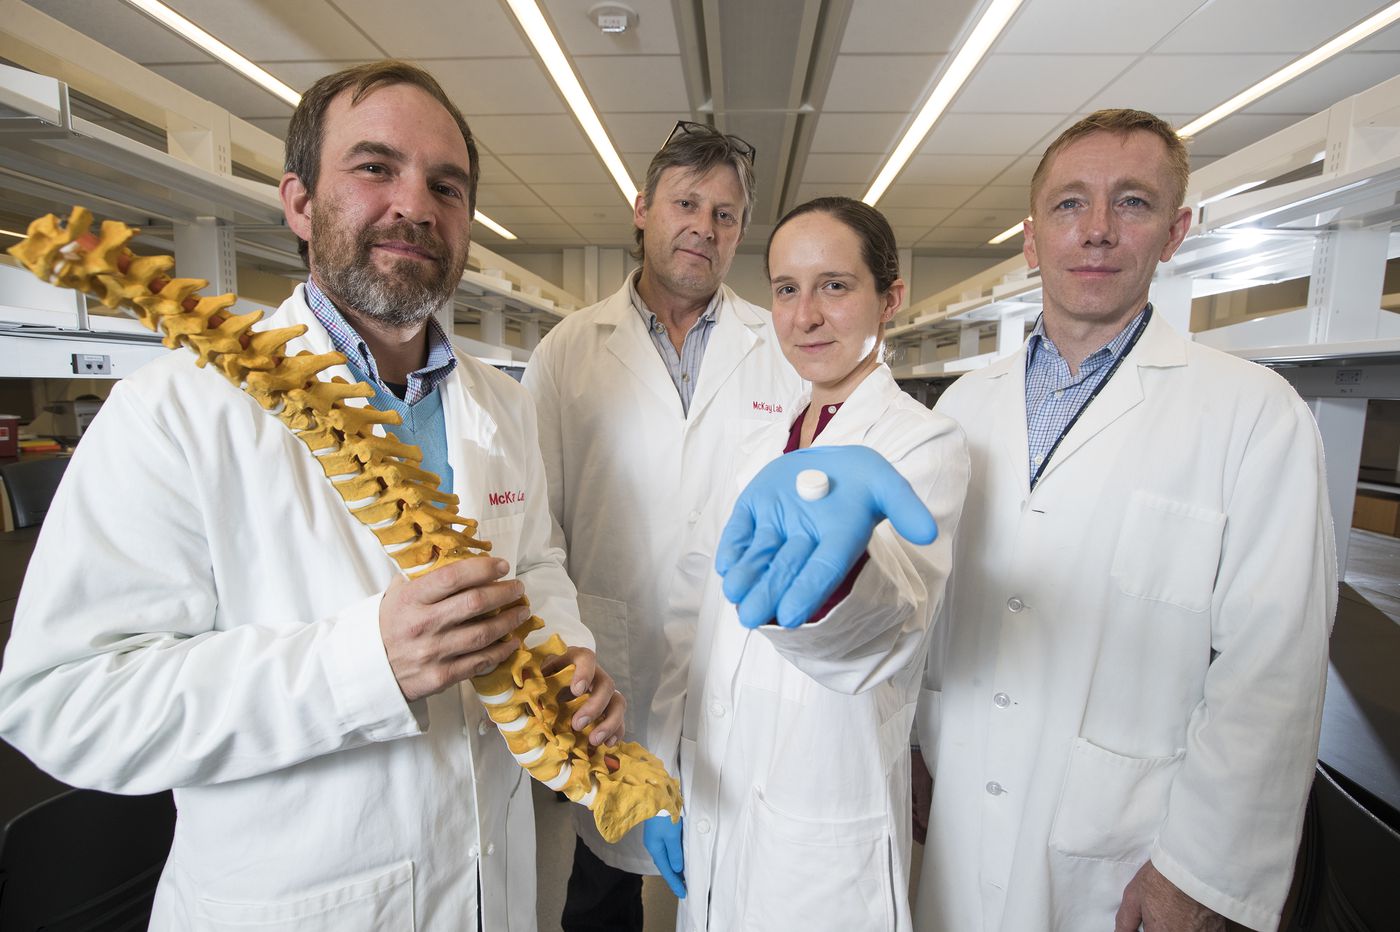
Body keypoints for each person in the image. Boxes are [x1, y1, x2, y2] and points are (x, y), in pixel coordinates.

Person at [0, 61, 622, 931]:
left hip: (495, 891)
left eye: (446, 184)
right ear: (299, 203)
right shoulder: (175, 410)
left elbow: (538, 561)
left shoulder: (504, 404)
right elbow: (63, 699)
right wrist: (363, 666)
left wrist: (571, 652)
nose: (415, 203)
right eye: (375, 168)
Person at [913, 109, 1336, 932]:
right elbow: (931, 606)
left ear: (1176, 232)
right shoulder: (964, 406)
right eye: (1070, 205)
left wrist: (1202, 871)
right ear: (1032, 238)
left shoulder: (1254, 414)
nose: (1098, 231)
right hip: (958, 806)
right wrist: (914, 750)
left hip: (1131, 851)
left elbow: (1273, 667)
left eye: (1132, 203)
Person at [644, 197, 969, 931]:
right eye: (786, 289)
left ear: (889, 299)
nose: (805, 315)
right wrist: (663, 766)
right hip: (715, 787)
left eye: (835, 285)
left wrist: (846, 572)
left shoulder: (923, 444)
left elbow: (882, 631)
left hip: (823, 807)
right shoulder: (756, 447)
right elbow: (692, 619)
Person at [523, 121, 803, 929]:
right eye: (686, 203)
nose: (703, 228)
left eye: (725, 214)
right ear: (642, 209)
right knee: (600, 894)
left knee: (731, 889)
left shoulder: (776, 347)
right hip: (609, 679)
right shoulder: (569, 353)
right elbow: (540, 534)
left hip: (740, 674)